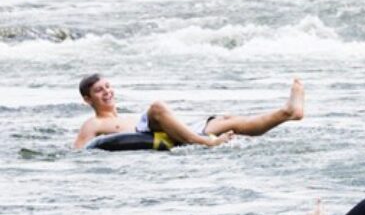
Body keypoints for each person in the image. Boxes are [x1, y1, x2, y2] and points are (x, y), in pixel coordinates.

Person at [74, 74, 305, 149]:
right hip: (154, 133)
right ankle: (207, 143)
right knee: (157, 107)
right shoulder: (93, 124)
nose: (107, 92)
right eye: (98, 91)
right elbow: (78, 152)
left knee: (226, 120)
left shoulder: (128, 116)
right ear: (87, 99)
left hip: (178, 132)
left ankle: (287, 113)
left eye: (108, 87)